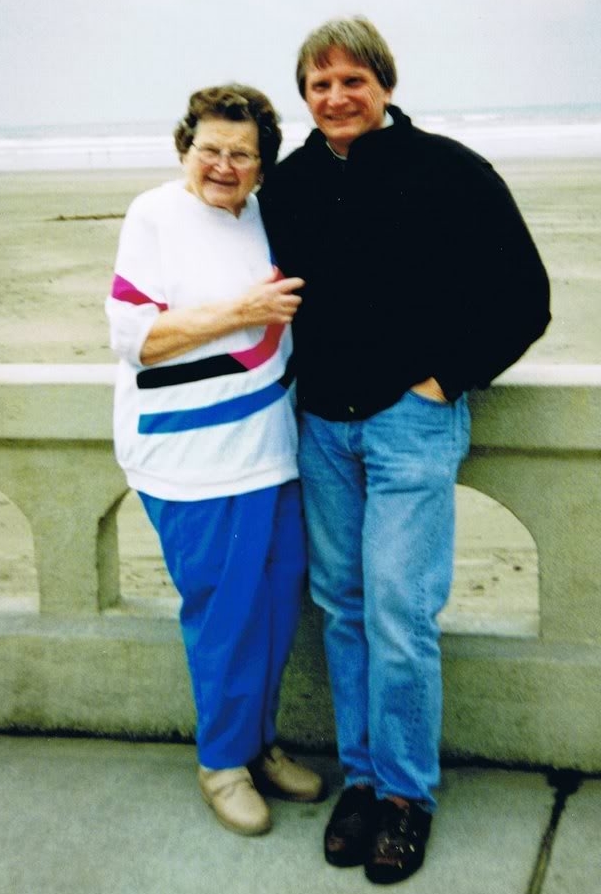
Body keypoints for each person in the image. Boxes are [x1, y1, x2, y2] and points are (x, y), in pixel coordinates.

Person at [258, 16, 550, 884]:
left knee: (399, 608)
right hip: (320, 426)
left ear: (383, 83)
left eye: (352, 80)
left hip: (410, 423)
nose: (336, 97)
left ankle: (407, 798)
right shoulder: (292, 183)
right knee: (343, 605)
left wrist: (445, 378)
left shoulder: (451, 171)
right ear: (304, 96)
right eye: (319, 85)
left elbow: (524, 296)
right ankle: (363, 780)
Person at [106, 84, 323, 837]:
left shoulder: (268, 217)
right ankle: (220, 764)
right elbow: (137, 338)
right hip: (187, 459)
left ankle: (259, 744)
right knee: (223, 615)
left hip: (270, 453)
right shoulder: (155, 214)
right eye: (210, 150)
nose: (223, 167)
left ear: (263, 165)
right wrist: (241, 314)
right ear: (184, 148)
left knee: (276, 602)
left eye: (241, 154)